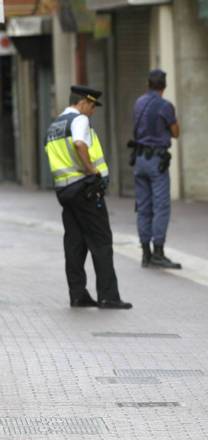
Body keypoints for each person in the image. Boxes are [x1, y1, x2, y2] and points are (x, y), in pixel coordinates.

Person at [45, 85, 132, 310]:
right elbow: (79, 144)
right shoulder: (79, 119)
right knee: (101, 241)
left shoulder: (54, 125)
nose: (92, 111)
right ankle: (108, 296)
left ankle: (78, 295)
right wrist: (92, 170)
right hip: (85, 189)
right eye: (92, 106)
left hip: (65, 192)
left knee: (74, 243)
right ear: (83, 102)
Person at [132, 69, 181, 269]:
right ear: (164, 86)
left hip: (139, 158)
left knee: (143, 207)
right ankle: (158, 252)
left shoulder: (139, 103)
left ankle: (145, 253)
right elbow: (176, 132)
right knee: (161, 206)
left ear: (148, 84)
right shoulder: (165, 106)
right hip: (156, 161)